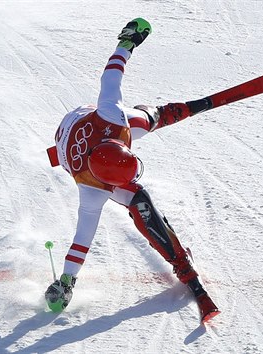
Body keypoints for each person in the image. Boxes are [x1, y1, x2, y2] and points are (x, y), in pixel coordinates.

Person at [44, 18, 219, 322]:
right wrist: (66, 280)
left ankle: (160, 114)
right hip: (68, 138)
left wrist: (128, 42)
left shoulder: (110, 114)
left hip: (92, 123)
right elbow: (82, 238)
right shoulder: (92, 190)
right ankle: (181, 263)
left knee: (143, 121)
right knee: (141, 203)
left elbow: (111, 75)